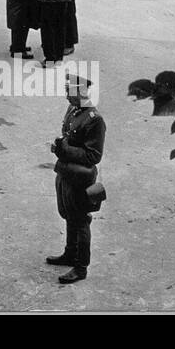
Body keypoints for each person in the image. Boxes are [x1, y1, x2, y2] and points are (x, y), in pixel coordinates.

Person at [47, 73, 106, 284]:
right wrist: (61, 147)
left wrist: (65, 149)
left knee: (80, 221)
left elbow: (93, 156)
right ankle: (69, 253)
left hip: (80, 179)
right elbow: (68, 136)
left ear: (81, 92)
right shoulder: (73, 110)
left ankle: (81, 267)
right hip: (65, 172)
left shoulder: (95, 120)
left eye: (69, 92)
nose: (66, 97)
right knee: (67, 215)